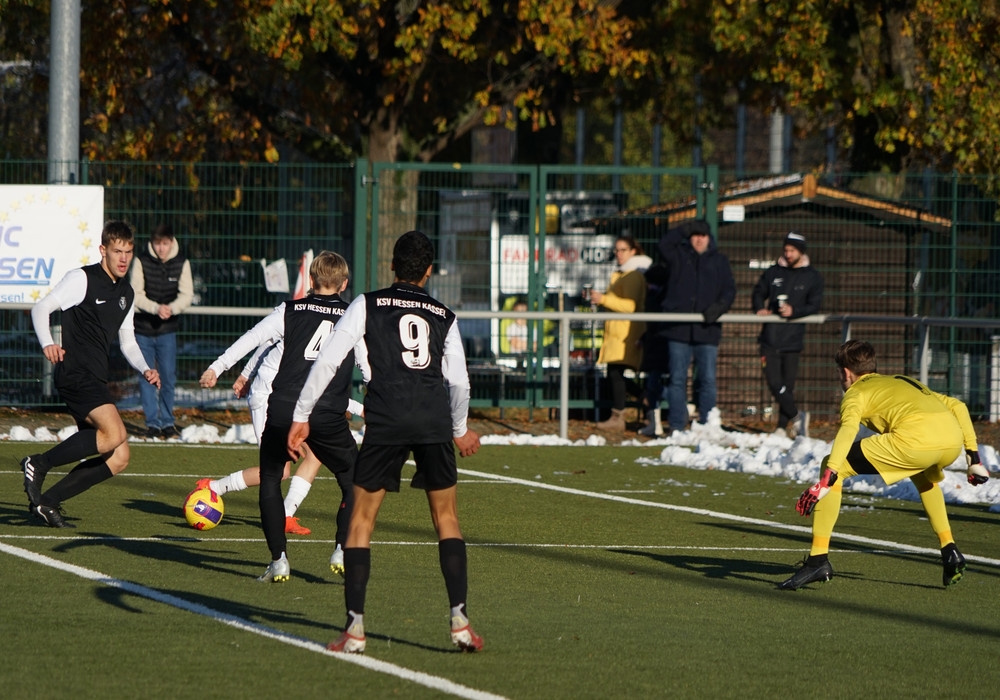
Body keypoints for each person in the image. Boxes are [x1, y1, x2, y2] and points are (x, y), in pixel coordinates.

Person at [288, 230, 483, 654]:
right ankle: (460, 622)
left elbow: (327, 361)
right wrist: (460, 428)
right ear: (429, 272)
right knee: (446, 519)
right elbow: (459, 382)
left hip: (387, 417)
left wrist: (301, 416)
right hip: (432, 418)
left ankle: (355, 629)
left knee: (362, 521)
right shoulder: (444, 315)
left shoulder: (367, 303)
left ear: (392, 266)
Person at [200, 251, 361, 582]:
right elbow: (369, 364)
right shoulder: (353, 316)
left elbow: (252, 338)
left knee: (272, 478)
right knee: (355, 481)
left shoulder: (290, 310)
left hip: (285, 408)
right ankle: (342, 548)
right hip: (327, 411)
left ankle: (279, 559)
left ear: (311, 282)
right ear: (344, 284)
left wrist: (218, 366)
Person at [781, 340, 991, 590]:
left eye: (839, 373)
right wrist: (973, 457)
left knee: (833, 463)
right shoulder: (903, 380)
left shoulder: (855, 394)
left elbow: (848, 430)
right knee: (922, 475)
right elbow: (958, 406)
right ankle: (949, 550)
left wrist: (828, 478)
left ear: (846, 373)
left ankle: (817, 560)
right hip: (952, 444)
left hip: (915, 443)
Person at [20, 220, 161, 528]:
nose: (123, 258)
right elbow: (41, 308)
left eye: (128, 252)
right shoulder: (82, 279)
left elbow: (127, 341)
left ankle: (47, 503)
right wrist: (48, 343)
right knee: (115, 434)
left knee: (119, 457)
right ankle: (38, 463)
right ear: (103, 251)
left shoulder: (127, 292)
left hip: (95, 378)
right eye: (117, 251)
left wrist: (146, 368)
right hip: (74, 373)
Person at [199, 336, 364, 549]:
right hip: (270, 398)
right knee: (281, 470)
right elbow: (262, 339)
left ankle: (285, 515)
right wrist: (245, 374)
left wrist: (246, 374)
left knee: (316, 455)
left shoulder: (319, 323)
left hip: (290, 399)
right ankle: (213, 488)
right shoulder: (297, 316)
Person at [645, 219, 735, 432]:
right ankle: (677, 425)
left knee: (707, 379)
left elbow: (729, 290)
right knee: (677, 379)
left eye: (702, 235)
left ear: (709, 238)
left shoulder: (719, 261)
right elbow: (664, 245)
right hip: (678, 329)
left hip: (707, 329)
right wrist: (684, 229)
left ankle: (707, 424)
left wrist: (718, 308)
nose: (698, 239)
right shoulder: (679, 256)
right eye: (694, 235)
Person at [751, 232, 824, 437]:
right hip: (770, 338)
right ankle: (797, 416)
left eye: (792, 250)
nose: (788, 253)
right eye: (785, 250)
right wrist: (759, 308)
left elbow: (814, 304)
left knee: (787, 385)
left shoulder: (812, 276)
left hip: (793, 340)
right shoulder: (773, 272)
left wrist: (795, 311)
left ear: (801, 251)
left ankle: (782, 427)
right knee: (775, 383)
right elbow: (758, 291)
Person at [130, 223, 194, 439]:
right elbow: (135, 294)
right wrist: (155, 308)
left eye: (165, 244)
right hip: (143, 328)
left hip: (168, 330)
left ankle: (167, 422)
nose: (161, 249)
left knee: (167, 376)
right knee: (146, 376)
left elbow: (187, 294)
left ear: (171, 242)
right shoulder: (140, 260)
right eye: (157, 244)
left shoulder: (182, 263)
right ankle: (152, 423)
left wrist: (172, 309)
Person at [585, 235, 652, 431]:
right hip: (618, 331)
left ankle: (622, 414)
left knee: (616, 374)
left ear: (633, 251)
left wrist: (604, 299)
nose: (619, 254)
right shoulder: (623, 274)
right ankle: (645, 401)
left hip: (626, 332)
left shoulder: (632, 275)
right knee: (616, 374)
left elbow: (630, 306)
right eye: (617, 250)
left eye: (623, 250)